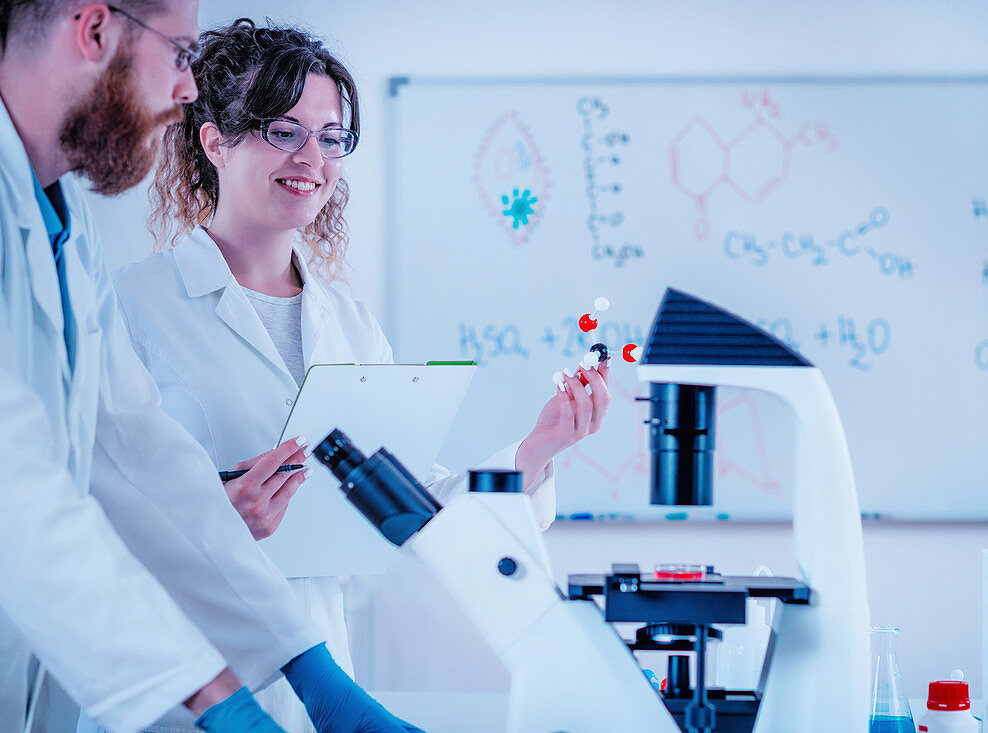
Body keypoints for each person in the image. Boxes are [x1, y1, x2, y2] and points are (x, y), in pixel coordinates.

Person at [109, 18, 612, 732]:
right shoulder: (132, 308)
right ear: (213, 140)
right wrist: (212, 515)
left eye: (330, 135)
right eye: (282, 130)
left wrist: (535, 451)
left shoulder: (345, 321)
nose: (312, 155)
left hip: (322, 675)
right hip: (179, 681)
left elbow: (413, 502)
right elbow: (78, 513)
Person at [0, 2, 420, 732]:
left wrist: (310, 670)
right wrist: (216, 697)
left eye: (327, 136)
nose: (190, 88)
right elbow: (19, 496)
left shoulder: (65, 224)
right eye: (180, 51)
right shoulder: (136, 287)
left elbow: (140, 455)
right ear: (95, 31)